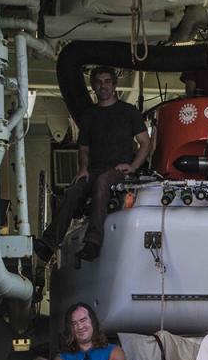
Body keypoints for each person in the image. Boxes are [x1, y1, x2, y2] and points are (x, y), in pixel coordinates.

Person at [36, 65, 151, 263]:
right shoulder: (89, 115)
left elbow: (145, 142)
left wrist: (132, 167)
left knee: (102, 182)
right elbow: (84, 149)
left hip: (118, 170)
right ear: (93, 86)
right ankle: (48, 245)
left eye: (107, 82)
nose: (103, 86)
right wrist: (82, 169)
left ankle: (93, 243)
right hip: (93, 169)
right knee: (73, 191)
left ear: (114, 85)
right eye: (98, 82)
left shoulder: (128, 112)